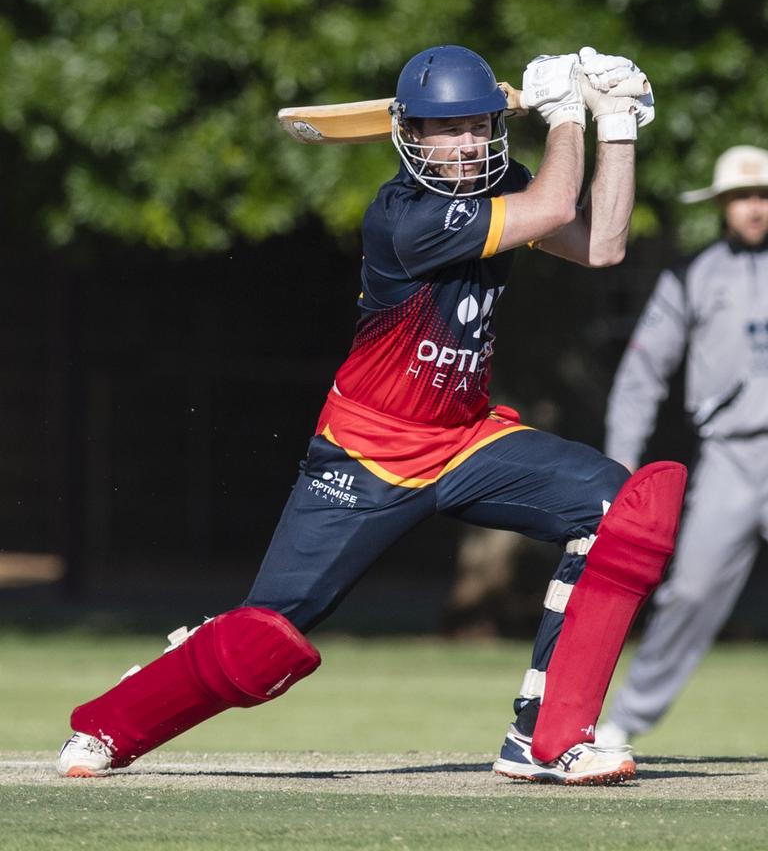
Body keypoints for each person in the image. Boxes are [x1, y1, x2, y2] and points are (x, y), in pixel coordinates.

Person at [57, 44, 685, 787]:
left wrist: (615, 125)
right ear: (409, 136)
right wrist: (564, 114)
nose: (469, 143)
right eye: (446, 130)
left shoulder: (500, 187)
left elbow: (604, 246)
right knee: (265, 640)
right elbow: (554, 206)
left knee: (626, 512)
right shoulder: (405, 219)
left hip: (465, 438)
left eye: (480, 124)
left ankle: (549, 739)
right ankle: (110, 724)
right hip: (367, 452)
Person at [596, 145, 768, 749]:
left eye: (764, 196)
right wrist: (622, 462)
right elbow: (642, 376)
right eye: (743, 197)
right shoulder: (690, 276)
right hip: (730, 457)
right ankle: (625, 723)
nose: (755, 207)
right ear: (722, 206)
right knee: (689, 592)